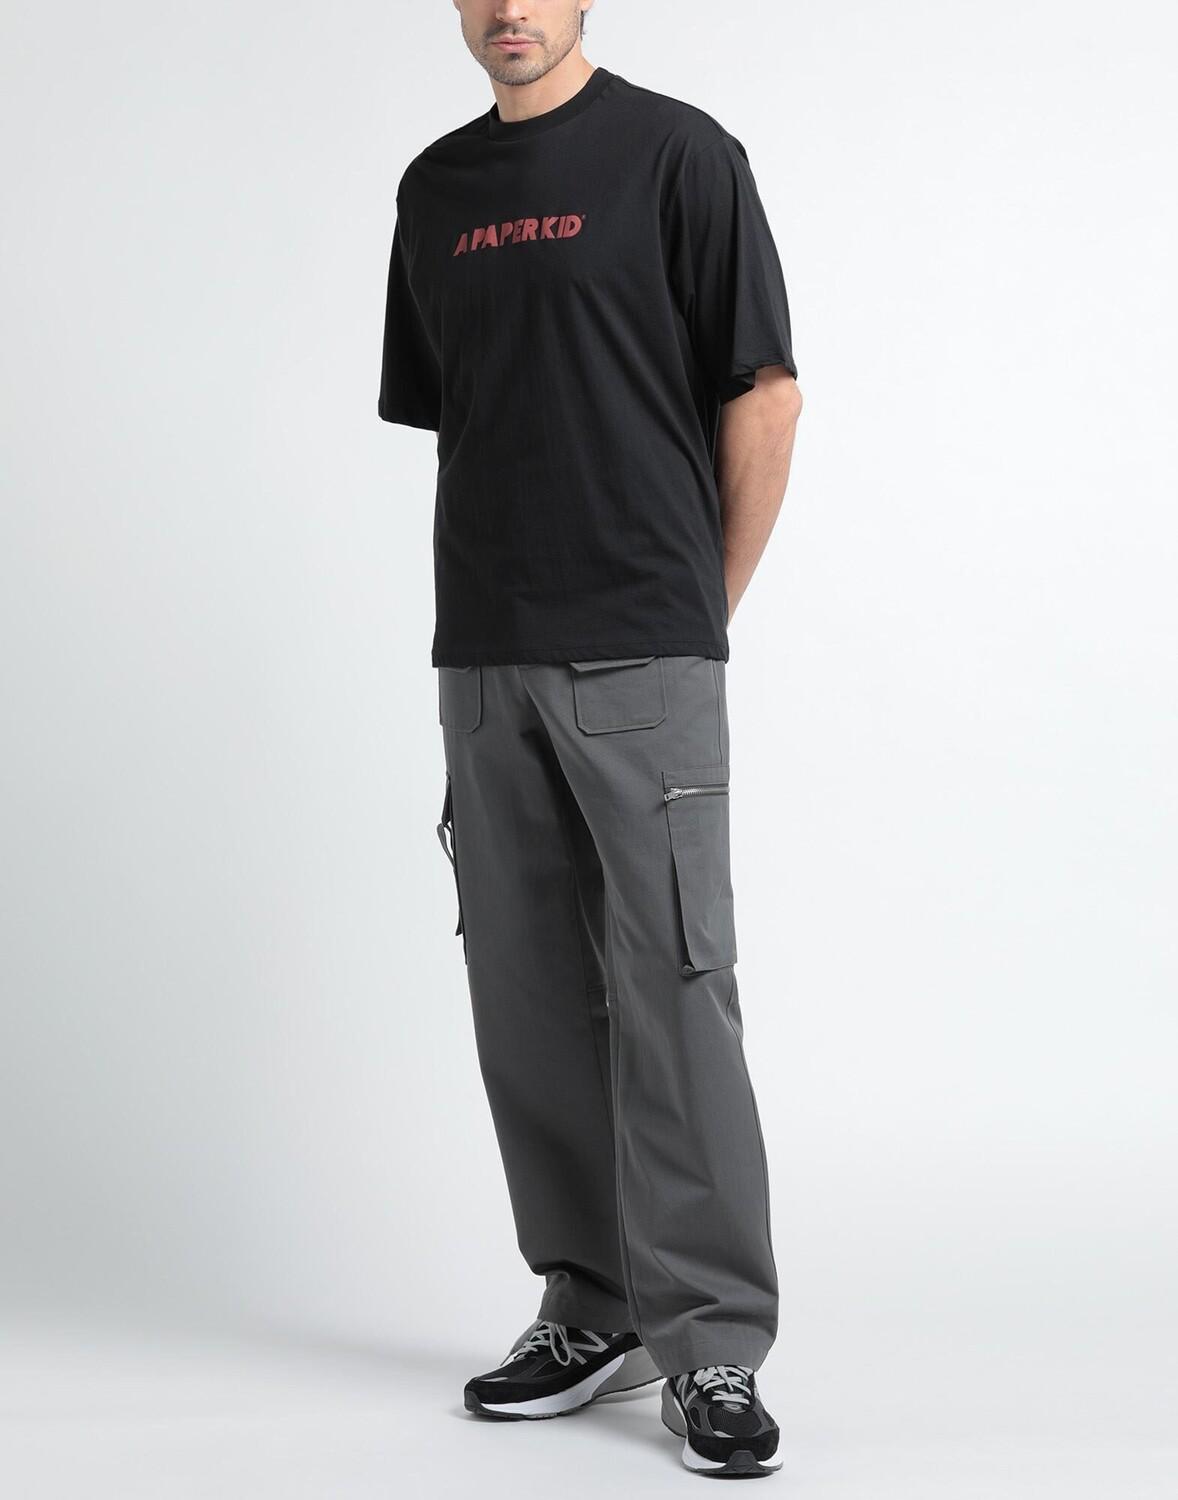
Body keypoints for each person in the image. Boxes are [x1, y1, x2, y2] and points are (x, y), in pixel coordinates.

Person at [378, 1, 802, 1478]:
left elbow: (764, 393)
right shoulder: (435, 190)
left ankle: (712, 1342)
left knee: (675, 989)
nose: (509, 10)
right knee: (528, 993)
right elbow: (469, 418)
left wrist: (695, 609)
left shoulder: (678, 157)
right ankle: (592, 1303)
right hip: (484, 654)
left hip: (643, 648)